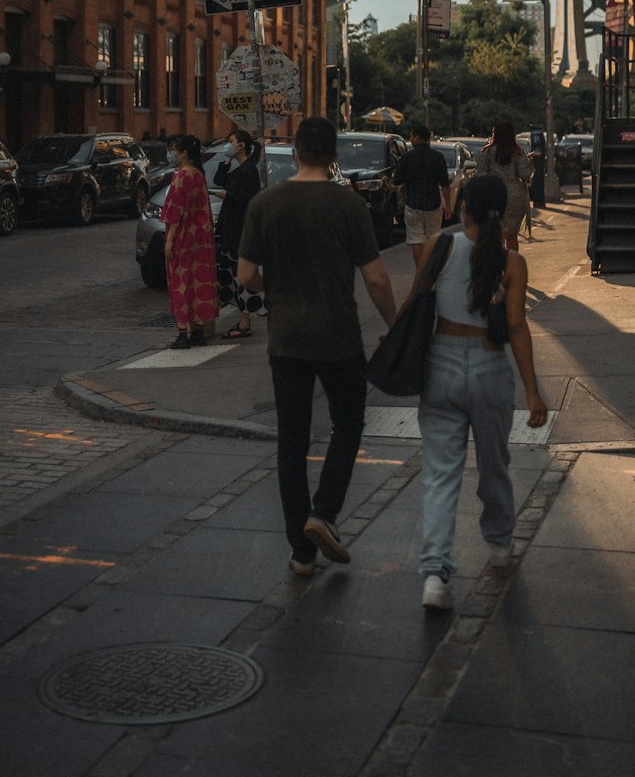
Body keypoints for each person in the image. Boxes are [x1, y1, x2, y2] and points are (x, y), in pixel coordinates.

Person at [237, 116, 397, 577]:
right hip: (338, 336)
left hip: (286, 337)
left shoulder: (266, 203)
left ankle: (301, 553)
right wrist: (395, 323)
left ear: (294, 154)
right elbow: (376, 277)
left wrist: (277, 288)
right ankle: (323, 512)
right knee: (349, 423)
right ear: (334, 156)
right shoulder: (348, 204)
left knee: (292, 440)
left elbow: (246, 276)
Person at [404, 173, 547, 611]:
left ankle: (434, 575)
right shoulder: (512, 262)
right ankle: (500, 546)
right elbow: (518, 326)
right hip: (489, 368)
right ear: (502, 214)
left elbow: (414, 306)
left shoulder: (439, 247)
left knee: (441, 473)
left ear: (462, 206)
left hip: (442, 363)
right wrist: (533, 391)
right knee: (494, 463)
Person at [161, 134, 218, 349]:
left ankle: (183, 333)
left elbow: (175, 213)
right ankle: (199, 331)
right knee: (199, 282)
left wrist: (169, 242)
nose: (170, 153)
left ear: (183, 152)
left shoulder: (181, 176)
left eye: (172, 149)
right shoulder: (198, 175)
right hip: (199, 238)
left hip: (183, 238)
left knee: (181, 283)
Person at [213, 128, 265, 339]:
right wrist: (226, 160)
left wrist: (229, 196)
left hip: (238, 234)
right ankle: (244, 318)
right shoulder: (240, 168)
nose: (227, 144)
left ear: (241, 145)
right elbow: (218, 179)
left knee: (240, 278)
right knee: (230, 278)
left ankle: (246, 321)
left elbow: (248, 199)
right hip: (230, 232)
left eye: (231, 141)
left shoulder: (249, 169)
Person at [391, 123, 452, 268]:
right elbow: (444, 184)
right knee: (433, 239)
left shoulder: (406, 158)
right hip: (433, 204)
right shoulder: (438, 157)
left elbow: (397, 180)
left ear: (418, 138)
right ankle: (431, 269)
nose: (410, 138)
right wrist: (448, 205)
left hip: (413, 203)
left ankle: (421, 271)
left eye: (412, 136)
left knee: (416, 240)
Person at [475, 121, 533, 251]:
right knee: (512, 236)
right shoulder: (518, 152)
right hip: (515, 196)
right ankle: (512, 265)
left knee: (497, 234)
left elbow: (480, 175)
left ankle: (497, 264)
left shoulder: (487, 152)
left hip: (494, 197)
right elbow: (525, 174)